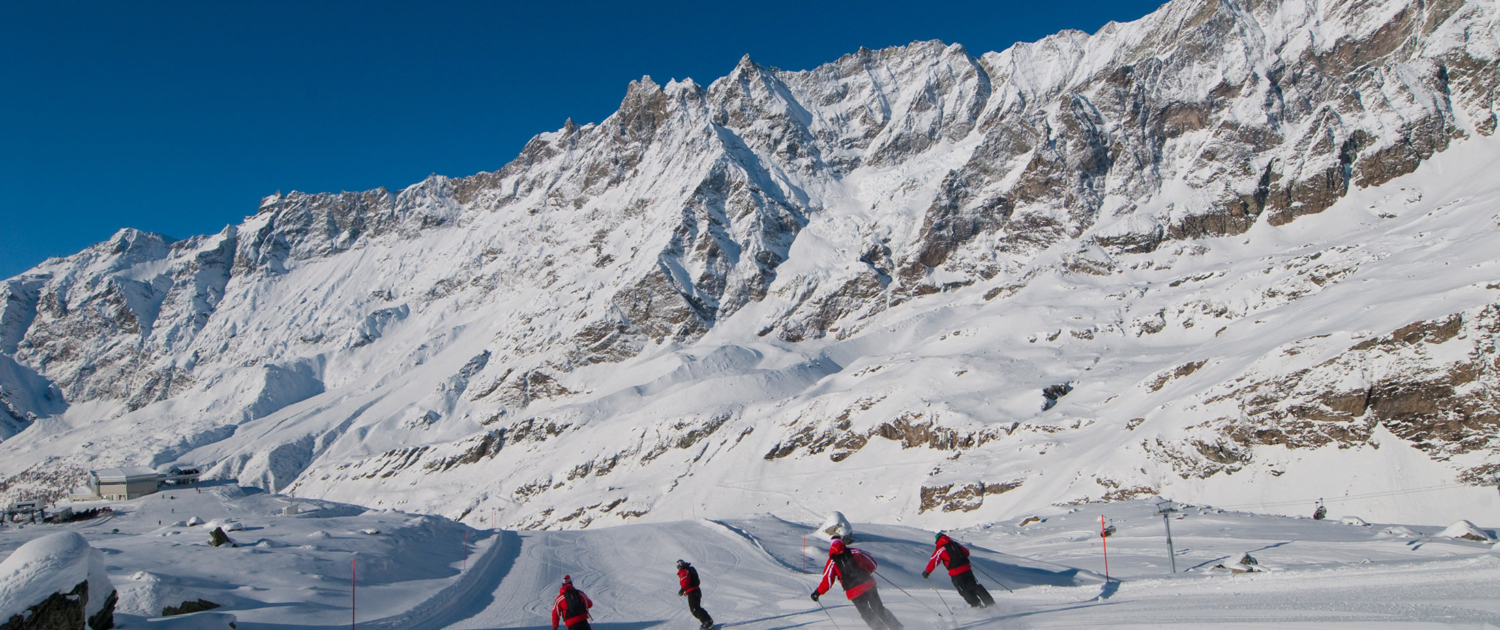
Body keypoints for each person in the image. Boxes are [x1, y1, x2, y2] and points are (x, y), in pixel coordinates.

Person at [812, 538, 902, 630]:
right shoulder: (855, 552)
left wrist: (817, 593)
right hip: (868, 585)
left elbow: (827, 581)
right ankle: (897, 627)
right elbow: (873, 564)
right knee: (878, 608)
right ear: (842, 542)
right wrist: (867, 570)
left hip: (853, 592)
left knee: (866, 613)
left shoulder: (832, 561)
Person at [922, 532, 994, 608]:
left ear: (937, 541)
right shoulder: (956, 544)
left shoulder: (941, 549)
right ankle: (990, 603)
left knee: (964, 590)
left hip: (956, 573)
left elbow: (934, 561)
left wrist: (927, 572)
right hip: (967, 570)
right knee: (974, 587)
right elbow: (967, 552)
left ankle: (976, 606)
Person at [677, 559, 714, 629]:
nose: (678, 568)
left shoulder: (684, 571)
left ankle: (707, 621)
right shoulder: (690, 569)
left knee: (695, 609)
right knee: (696, 608)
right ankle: (707, 620)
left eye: (678, 566)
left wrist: (682, 589)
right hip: (696, 590)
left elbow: (685, 580)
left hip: (692, 591)